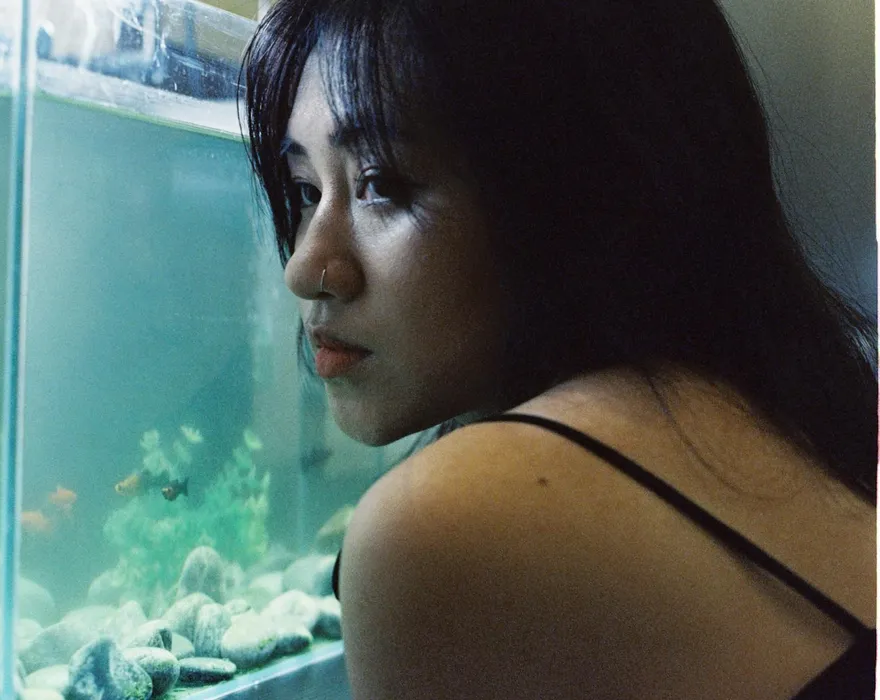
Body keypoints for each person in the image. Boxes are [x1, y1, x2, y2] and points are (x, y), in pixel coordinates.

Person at [240, 1, 877, 698]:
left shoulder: (451, 525)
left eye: (383, 184)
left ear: (585, 184)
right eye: (303, 190)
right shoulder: (804, 418)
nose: (305, 267)